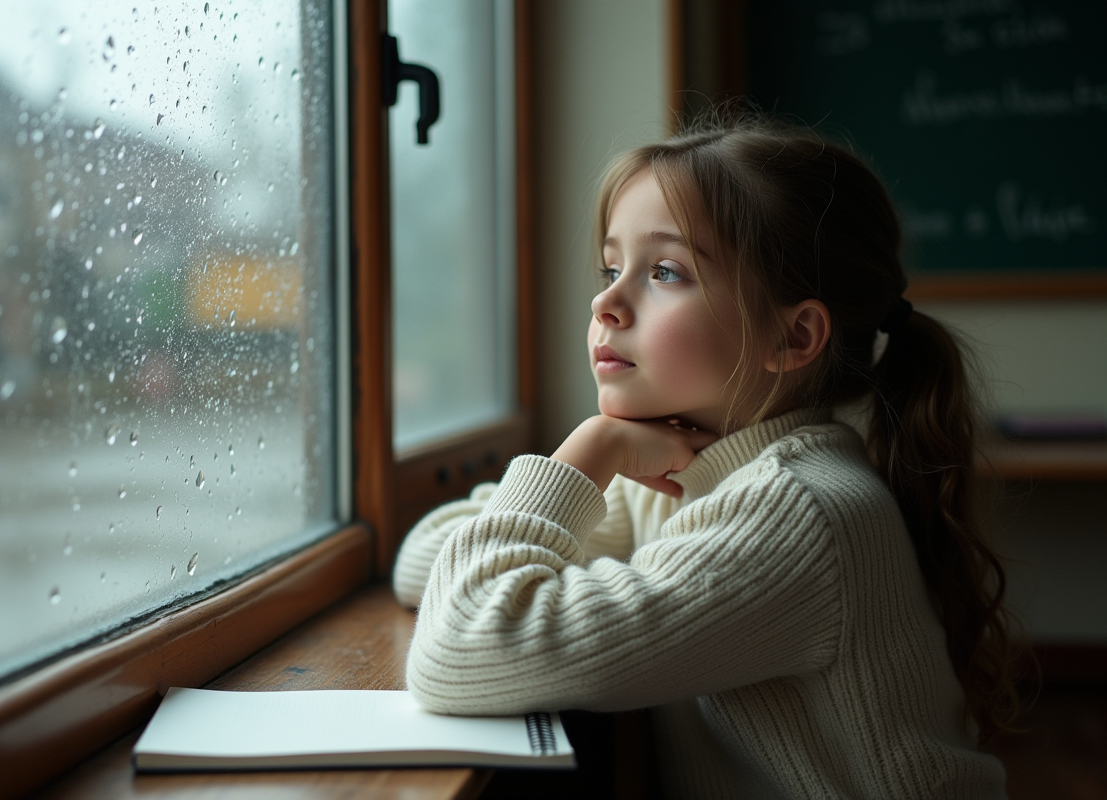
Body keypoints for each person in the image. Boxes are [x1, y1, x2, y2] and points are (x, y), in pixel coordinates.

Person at [392, 115, 1019, 798]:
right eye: (610, 267)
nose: (606, 301)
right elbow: (425, 563)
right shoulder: (679, 476)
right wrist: (599, 466)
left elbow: (461, 651)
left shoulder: (795, 510)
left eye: (665, 271)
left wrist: (587, 450)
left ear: (794, 336)